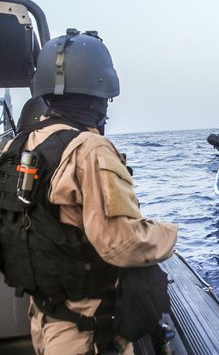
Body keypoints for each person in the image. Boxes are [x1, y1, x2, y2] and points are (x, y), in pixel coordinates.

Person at [0, 30, 178, 354]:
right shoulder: (89, 149)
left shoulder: (17, 146)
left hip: (43, 318)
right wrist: (169, 235)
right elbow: (120, 244)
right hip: (86, 330)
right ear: (97, 96)